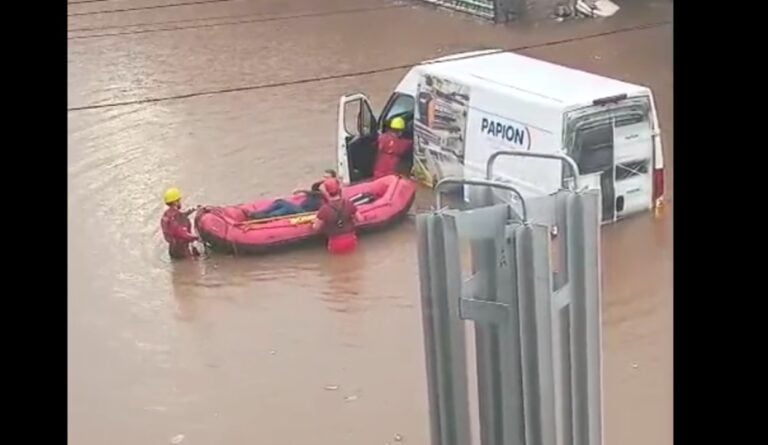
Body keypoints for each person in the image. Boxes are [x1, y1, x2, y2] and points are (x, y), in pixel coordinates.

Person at [313, 178, 359, 254]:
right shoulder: (348, 203)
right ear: (339, 189)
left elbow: (316, 227)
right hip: (350, 239)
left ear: (326, 192)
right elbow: (360, 219)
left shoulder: (324, 209)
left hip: (335, 242)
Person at [160, 187, 201, 260]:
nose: (180, 202)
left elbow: (182, 216)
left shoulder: (167, 214)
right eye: (179, 200)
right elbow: (182, 234)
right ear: (175, 202)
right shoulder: (175, 217)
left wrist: (194, 209)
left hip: (173, 248)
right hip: (182, 251)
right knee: (191, 268)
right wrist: (197, 237)